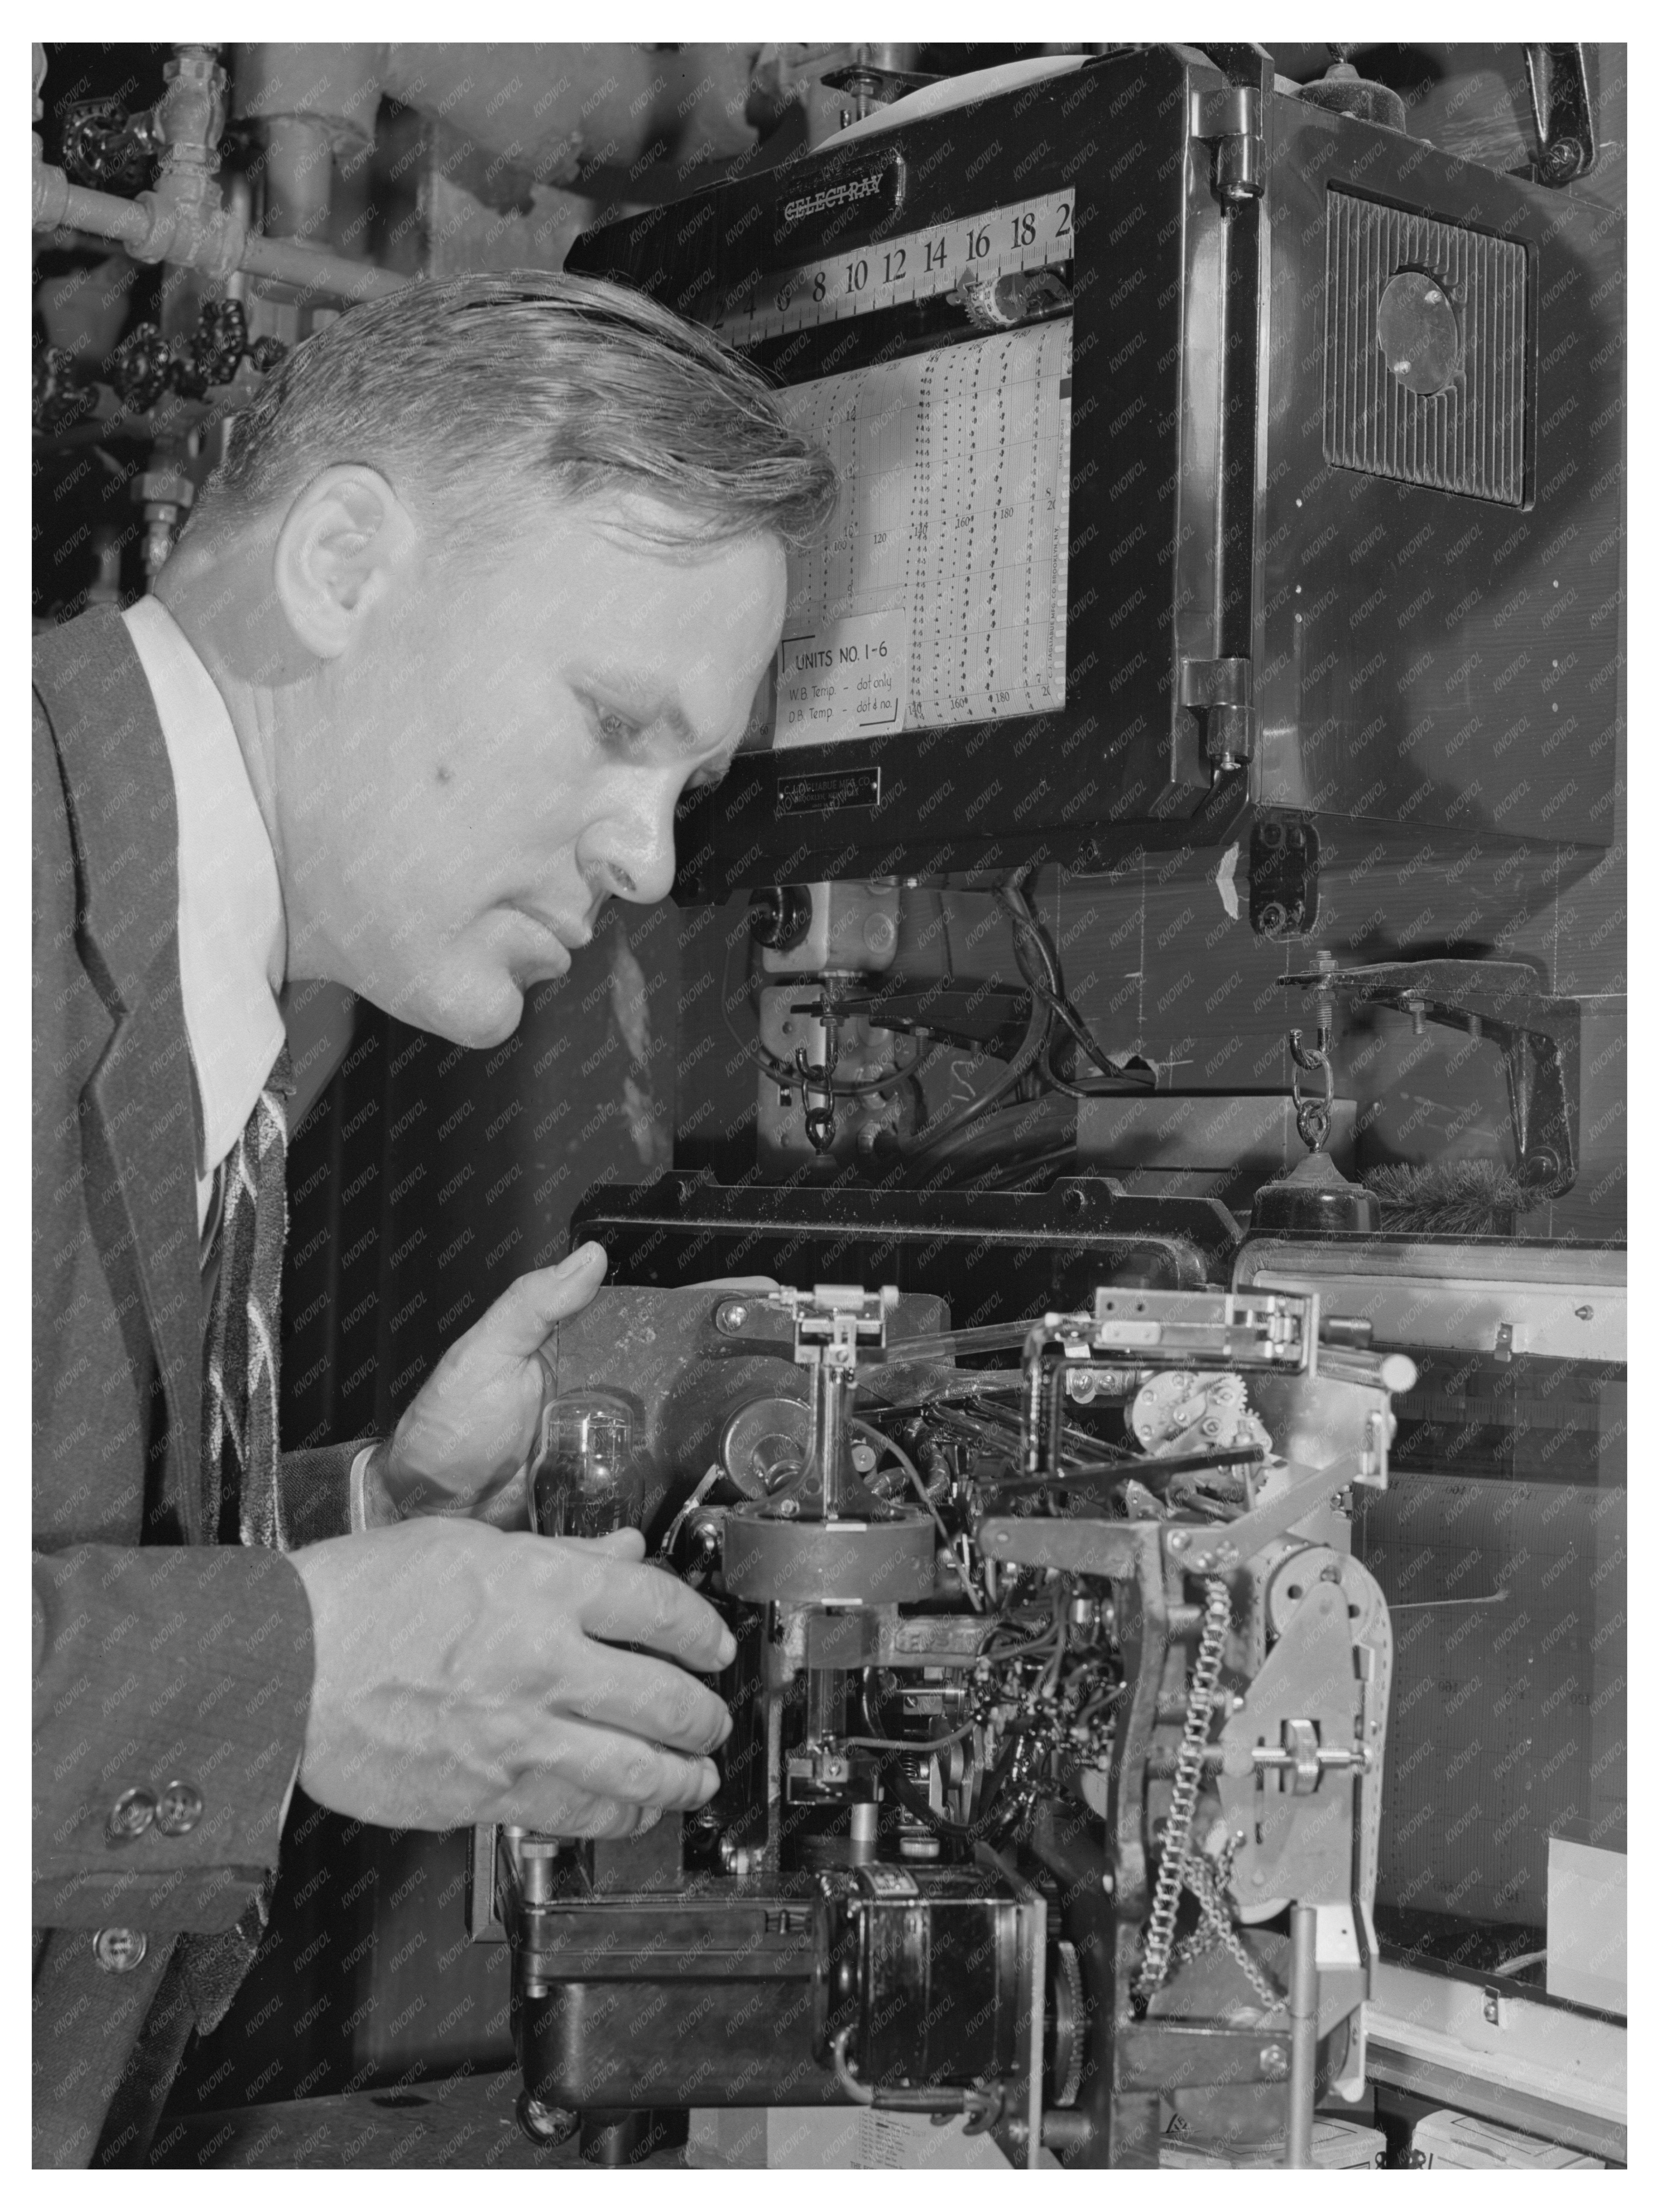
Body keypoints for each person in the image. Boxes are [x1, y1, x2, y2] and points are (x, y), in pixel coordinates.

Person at [33, 269, 838, 2166]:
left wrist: (375, 1511)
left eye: (689, 779)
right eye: (615, 722)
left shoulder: (237, 984)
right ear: (339, 565)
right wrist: (298, 1664)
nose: (651, 855)